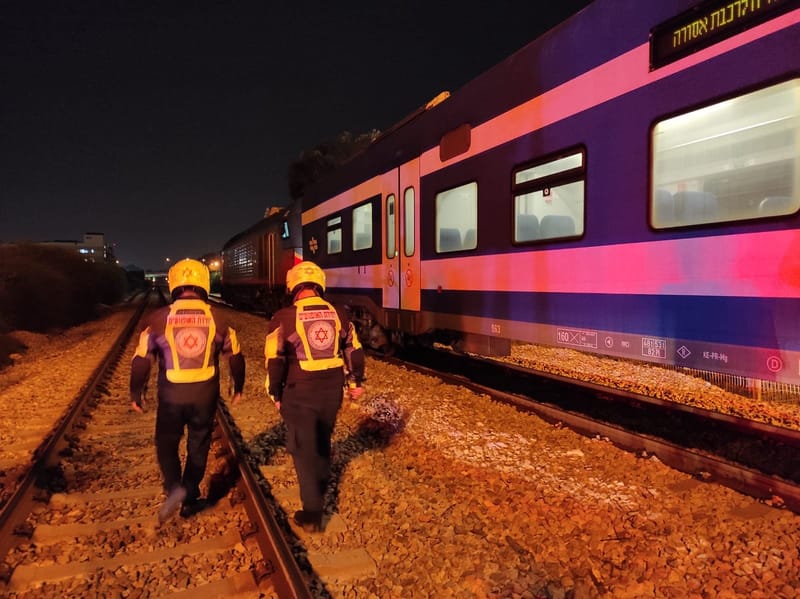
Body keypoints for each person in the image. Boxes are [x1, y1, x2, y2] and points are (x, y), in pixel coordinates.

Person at [129, 258, 245, 523]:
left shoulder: (157, 319)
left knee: (166, 441)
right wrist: (238, 387)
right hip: (204, 395)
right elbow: (236, 357)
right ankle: (190, 495)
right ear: (203, 284)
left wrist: (137, 392)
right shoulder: (218, 318)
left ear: (175, 285)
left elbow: (141, 361)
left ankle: (174, 486)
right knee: (199, 443)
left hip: (171, 396)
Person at [264, 261, 365, 532]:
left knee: (302, 449)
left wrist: (275, 391)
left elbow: (275, 358)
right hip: (332, 390)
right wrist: (355, 381)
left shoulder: (284, 317)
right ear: (318, 284)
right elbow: (354, 350)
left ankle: (312, 513)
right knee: (321, 439)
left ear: (293, 287)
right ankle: (319, 490)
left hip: (300, 390)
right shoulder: (339, 313)